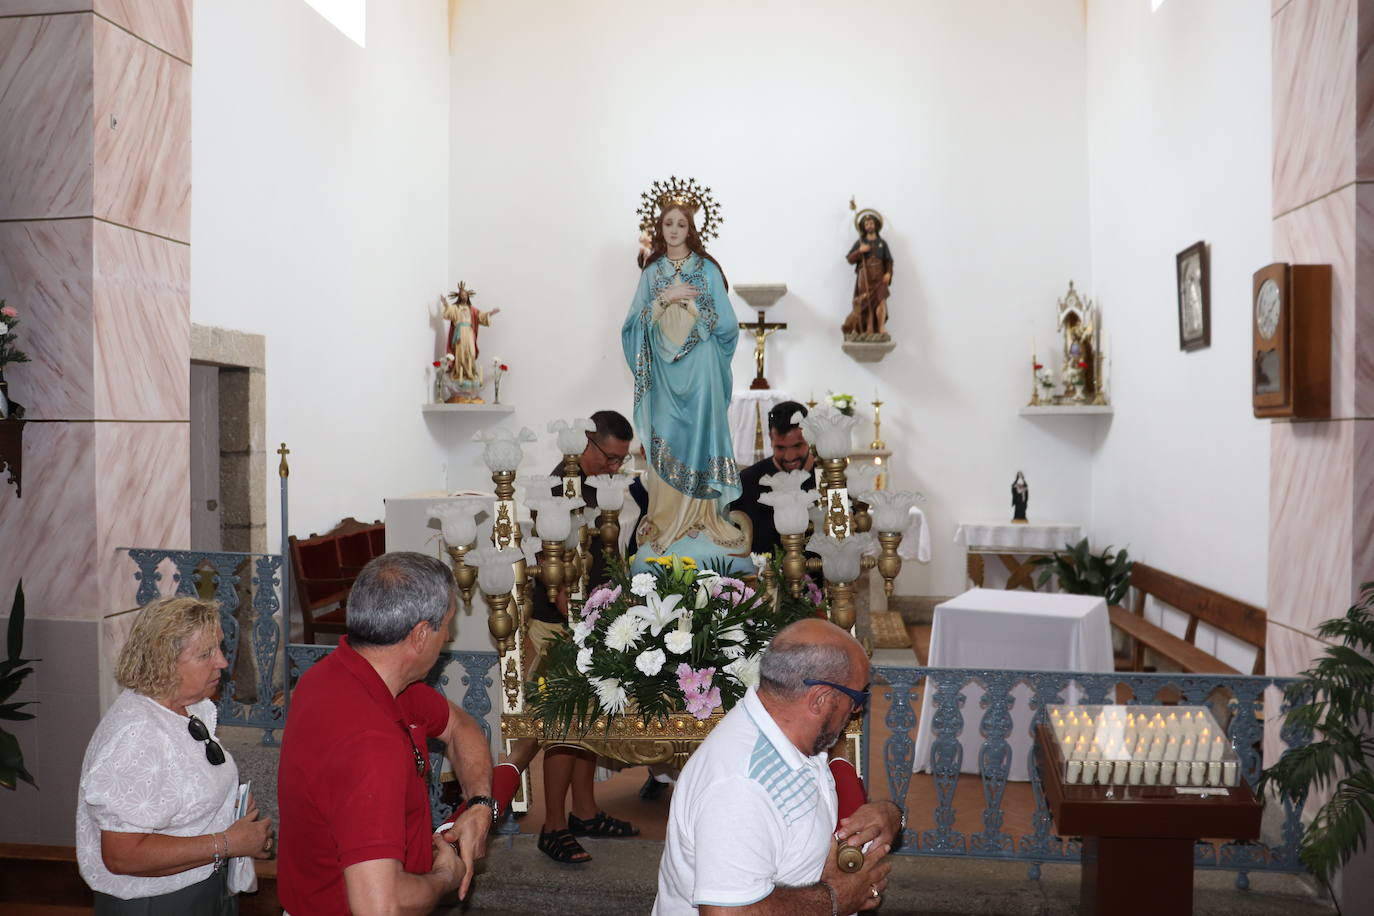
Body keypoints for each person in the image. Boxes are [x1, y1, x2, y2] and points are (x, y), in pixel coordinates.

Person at [277, 552, 494, 915]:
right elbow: (381, 907)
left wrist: (479, 805)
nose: (448, 638)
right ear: (421, 634)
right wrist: (445, 875)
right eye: (447, 627)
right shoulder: (371, 746)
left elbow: (460, 726)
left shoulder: (341, 675)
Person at [654, 619, 902, 915]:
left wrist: (891, 813)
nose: (857, 709)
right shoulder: (740, 788)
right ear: (821, 699)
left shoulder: (792, 732)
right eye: (857, 697)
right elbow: (727, 914)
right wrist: (836, 899)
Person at [76, 596, 274, 915]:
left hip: (200, 886)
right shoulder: (139, 734)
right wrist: (228, 843)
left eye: (220, 648)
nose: (222, 662)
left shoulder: (187, 707)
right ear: (165, 662)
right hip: (158, 903)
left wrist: (230, 812)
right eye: (206, 654)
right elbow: (122, 855)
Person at [512, 409, 649, 862]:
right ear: (587, 443)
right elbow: (556, 571)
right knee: (562, 724)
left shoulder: (602, 488)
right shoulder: (557, 490)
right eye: (609, 458)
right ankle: (553, 825)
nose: (615, 469)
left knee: (587, 719)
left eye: (621, 462)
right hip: (558, 620)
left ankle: (585, 813)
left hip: (592, 617)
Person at [621, 200, 745, 558]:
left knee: (701, 437)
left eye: (680, 224)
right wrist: (664, 299)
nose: (673, 230)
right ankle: (665, 518)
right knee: (665, 438)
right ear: (660, 228)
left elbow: (727, 325)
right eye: (668, 224)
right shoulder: (652, 273)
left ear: (690, 229)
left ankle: (702, 520)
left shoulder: (706, 270)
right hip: (662, 373)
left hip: (702, 371)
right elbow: (633, 326)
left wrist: (690, 306)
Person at [730, 401, 817, 556]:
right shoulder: (747, 481)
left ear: (809, 437)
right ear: (770, 438)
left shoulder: (830, 479)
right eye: (780, 448)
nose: (789, 457)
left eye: (798, 446)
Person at [442, 282, 501, 401]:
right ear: (459, 296)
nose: (464, 296)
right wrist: (445, 304)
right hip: (459, 334)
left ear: (468, 296)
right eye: (462, 295)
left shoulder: (471, 309)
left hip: (469, 334)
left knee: (471, 354)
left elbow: (481, 316)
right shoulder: (456, 308)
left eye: (465, 295)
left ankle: (469, 375)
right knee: (460, 354)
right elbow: (448, 313)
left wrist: (491, 313)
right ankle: (459, 374)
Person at [842, 211, 893, 339]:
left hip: (880, 277)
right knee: (866, 303)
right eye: (866, 224)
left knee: (881, 301)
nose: (869, 225)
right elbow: (849, 259)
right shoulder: (861, 242)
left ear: (875, 225)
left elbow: (888, 261)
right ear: (864, 228)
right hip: (865, 277)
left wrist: (888, 273)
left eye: (871, 223)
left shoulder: (882, 243)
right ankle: (867, 328)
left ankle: (881, 327)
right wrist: (860, 251)